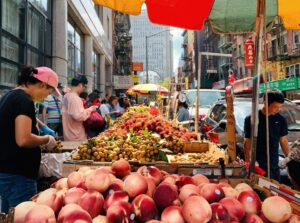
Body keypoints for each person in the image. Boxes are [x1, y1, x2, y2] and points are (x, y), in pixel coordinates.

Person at [0, 66, 58, 213]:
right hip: (19, 175)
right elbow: (23, 139)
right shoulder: (24, 100)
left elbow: (17, 118)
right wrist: (46, 139)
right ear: (42, 85)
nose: (46, 97)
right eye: (48, 92)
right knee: (23, 215)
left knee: (9, 216)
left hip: (6, 171)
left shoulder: (10, 95)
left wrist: (41, 125)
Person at [244, 90, 290, 181]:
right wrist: (249, 161)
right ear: (265, 103)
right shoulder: (252, 119)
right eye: (275, 107)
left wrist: (289, 158)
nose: (278, 109)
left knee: (275, 189)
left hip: (274, 163)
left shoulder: (281, 120)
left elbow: (283, 140)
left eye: (280, 107)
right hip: (257, 163)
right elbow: (247, 141)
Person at [62, 75, 97, 141]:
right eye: (84, 86)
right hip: (76, 136)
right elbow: (78, 116)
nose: (84, 89)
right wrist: (91, 109)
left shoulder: (66, 96)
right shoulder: (75, 98)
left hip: (68, 135)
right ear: (80, 85)